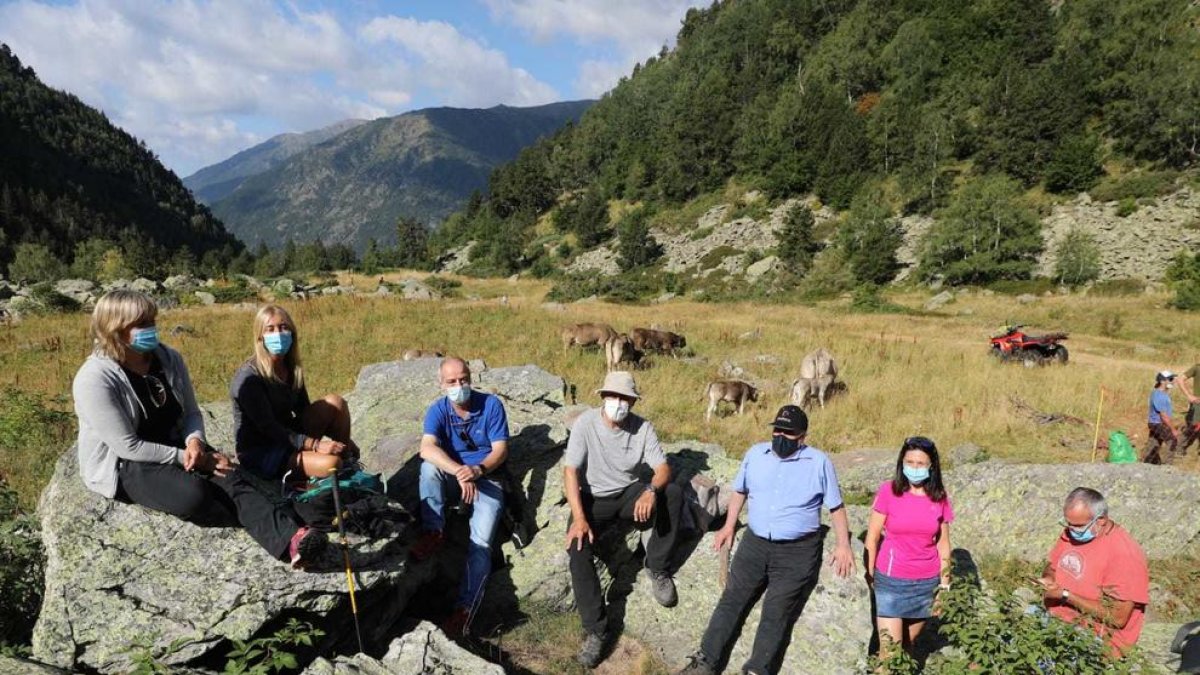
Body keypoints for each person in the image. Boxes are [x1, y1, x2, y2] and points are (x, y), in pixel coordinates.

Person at [73, 291, 329, 569]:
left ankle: (294, 540)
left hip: (177, 442)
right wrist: (191, 459)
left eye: (152, 320)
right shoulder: (95, 378)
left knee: (230, 475)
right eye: (141, 323)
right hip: (126, 463)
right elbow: (128, 446)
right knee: (193, 496)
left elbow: (191, 413)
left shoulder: (168, 359)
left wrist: (195, 442)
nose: (151, 328)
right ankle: (267, 519)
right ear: (115, 329)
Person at [679, 405, 855, 675]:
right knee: (732, 598)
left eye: (789, 432)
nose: (781, 436)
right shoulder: (755, 454)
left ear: (803, 436)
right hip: (755, 543)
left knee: (777, 612)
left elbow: (836, 507)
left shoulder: (819, 462)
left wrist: (843, 545)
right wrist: (728, 526)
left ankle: (756, 670)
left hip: (797, 551)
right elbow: (740, 491)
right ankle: (705, 662)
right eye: (777, 430)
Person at [564, 370, 683, 668]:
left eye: (625, 398)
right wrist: (579, 517)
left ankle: (657, 567)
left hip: (629, 492)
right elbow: (571, 471)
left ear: (633, 402)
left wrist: (650, 491)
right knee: (577, 546)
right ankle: (597, 629)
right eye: (613, 396)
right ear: (603, 397)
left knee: (673, 493)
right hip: (593, 497)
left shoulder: (643, 428)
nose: (618, 403)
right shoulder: (586, 424)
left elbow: (662, 469)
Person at [411, 357, 510, 637]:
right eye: (452, 381)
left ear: (470, 378)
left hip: (487, 478)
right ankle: (434, 531)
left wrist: (477, 470)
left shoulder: (491, 405)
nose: (459, 385)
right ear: (441, 384)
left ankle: (465, 610)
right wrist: (459, 471)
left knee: (481, 543)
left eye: (463, 379)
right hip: (456, 475)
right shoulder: (438, 410)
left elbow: (501, 450)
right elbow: (427, 448)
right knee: (428, 469)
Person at [230, 305, 360, 482]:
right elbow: (268, 427)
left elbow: (304, 410)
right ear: (260, 336)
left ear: (292, 332)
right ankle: (334, 469)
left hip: (289, 435)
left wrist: (342, 439)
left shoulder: (291, 368)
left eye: (283, 327)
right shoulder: (248, 378)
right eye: (270, 329)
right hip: (261, 449)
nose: (278, 334)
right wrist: (314, 445)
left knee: (336, 402)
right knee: (332, 464)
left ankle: (347, 461)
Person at [863, 436, 954, 661]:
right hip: (891, 581)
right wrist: (870, 573)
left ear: (931, 466)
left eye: (920, 463)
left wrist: (944, 586)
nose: (914, 468)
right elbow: (872, 537)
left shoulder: (939, 497)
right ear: (901, 463)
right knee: (890, 655)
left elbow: (943, 544)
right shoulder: (888, 491)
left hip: (926, 584)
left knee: (907, 647)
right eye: (909, 462)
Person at [1036, 487, 1149, 656]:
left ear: (1101, 520)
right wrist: (1048, 578)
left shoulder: (1124, 555)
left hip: (1097, 637)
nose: (1071, 530)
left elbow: (1117, 618)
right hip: (1059, 618)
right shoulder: (1074, 530)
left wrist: (1066, 595)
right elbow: (1052, 565)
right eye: (1068, 523)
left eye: (1078, 526)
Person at [1142, 371, 1179, 464]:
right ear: (1162, 381)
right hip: (1158, 423)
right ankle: (1167, 464)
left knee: (1154, 442)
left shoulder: (1160, 393)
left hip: (1155, 423)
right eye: (1170, 379)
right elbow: (1163, 416)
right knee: (1172, 440)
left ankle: (1148, 462)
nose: (1173, 381)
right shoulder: (1159, 395)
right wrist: (1173, 429)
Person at [1177, 363, 1200, 456]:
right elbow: (1180, 379)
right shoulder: (1197, 368)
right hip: (1198, 404)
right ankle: (1179, 450)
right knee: (1193, 427)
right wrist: (1189, 395)